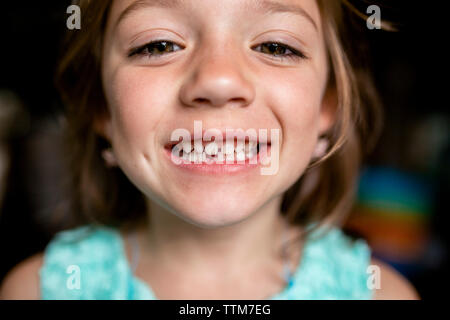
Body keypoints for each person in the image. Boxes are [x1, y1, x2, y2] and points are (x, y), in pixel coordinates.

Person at [0, 0, 419, 299]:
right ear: (101, 106)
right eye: (158, 45)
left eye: (276, 47)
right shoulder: (37, 291)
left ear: (327, 106)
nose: (218, 82)